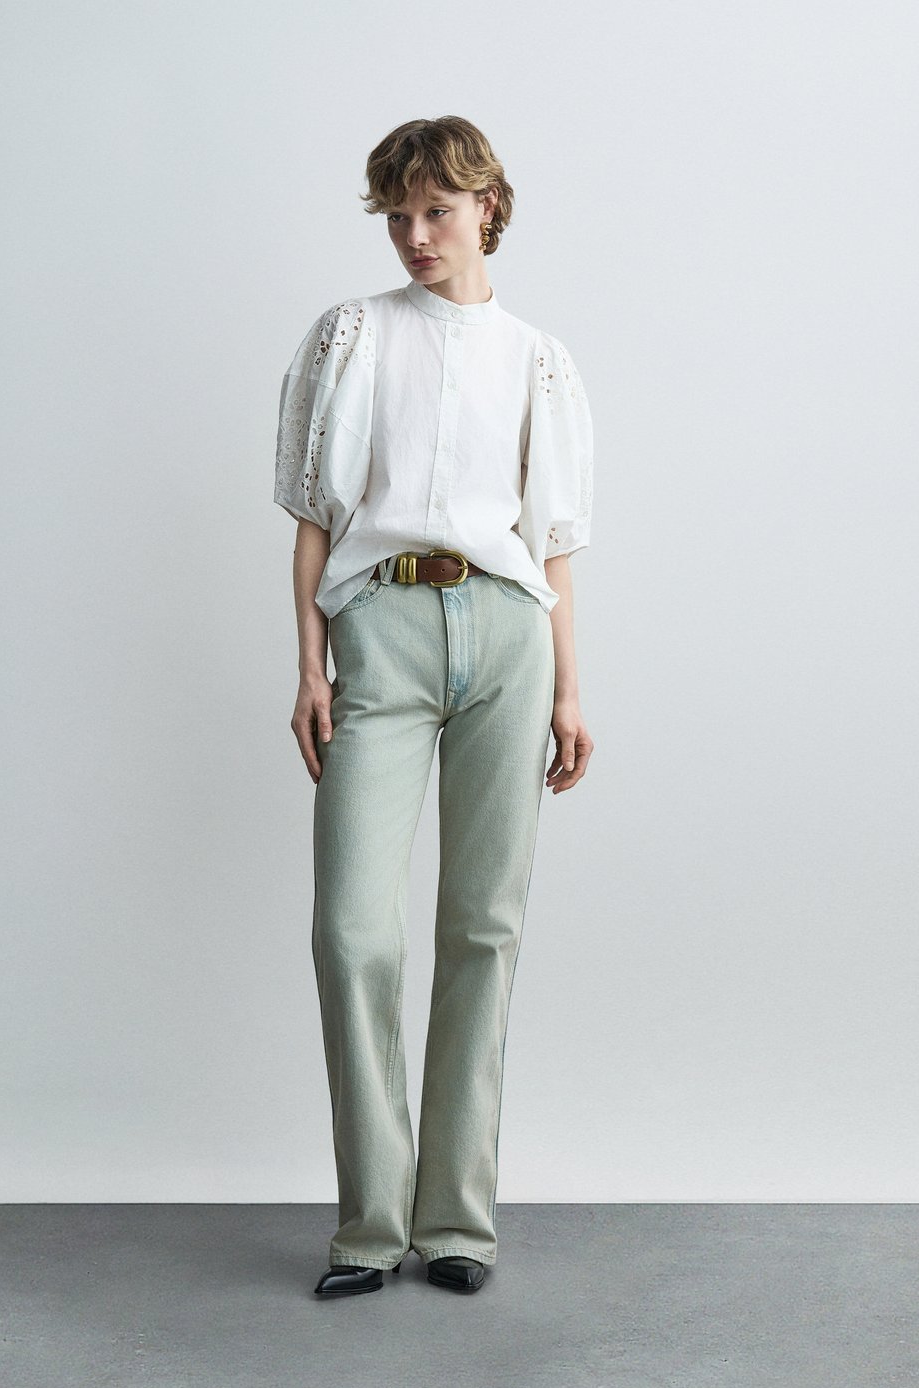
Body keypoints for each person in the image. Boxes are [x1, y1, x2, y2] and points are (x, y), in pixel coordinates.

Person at [273, 116, 595, 1298]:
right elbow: (315, 517)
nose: (415, 235)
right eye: (398, 215)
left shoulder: (538, 359)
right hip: (384, 632)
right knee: (354, 928)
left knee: (482, 927)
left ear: (486, 207)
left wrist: (569, 686)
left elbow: (550, 545)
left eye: (437, 211)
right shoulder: (352, 334)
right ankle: (370, 1224)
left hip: (508, 636)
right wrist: (311, 665)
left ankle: (456, 1221)